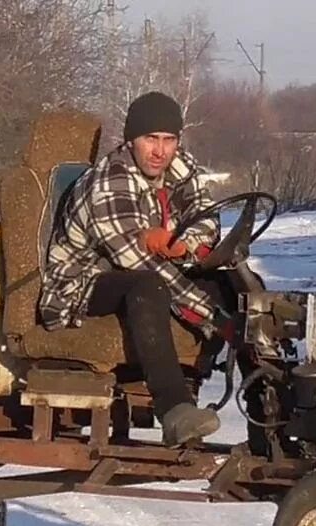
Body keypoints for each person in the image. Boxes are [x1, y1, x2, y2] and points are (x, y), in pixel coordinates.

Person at [37, 91, 239, 447]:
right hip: (82, 284)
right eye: (150, 139)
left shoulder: (178, 167)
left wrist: (185, 244)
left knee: (232, 282)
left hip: (144, 269)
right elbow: (141, 264)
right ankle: (175, 410)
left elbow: (208, 217)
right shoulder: (107, 182)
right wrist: (218, 320)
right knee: (148, 288)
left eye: (168, 140)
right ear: (131, 140)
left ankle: (276, 416)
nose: (160, 151)